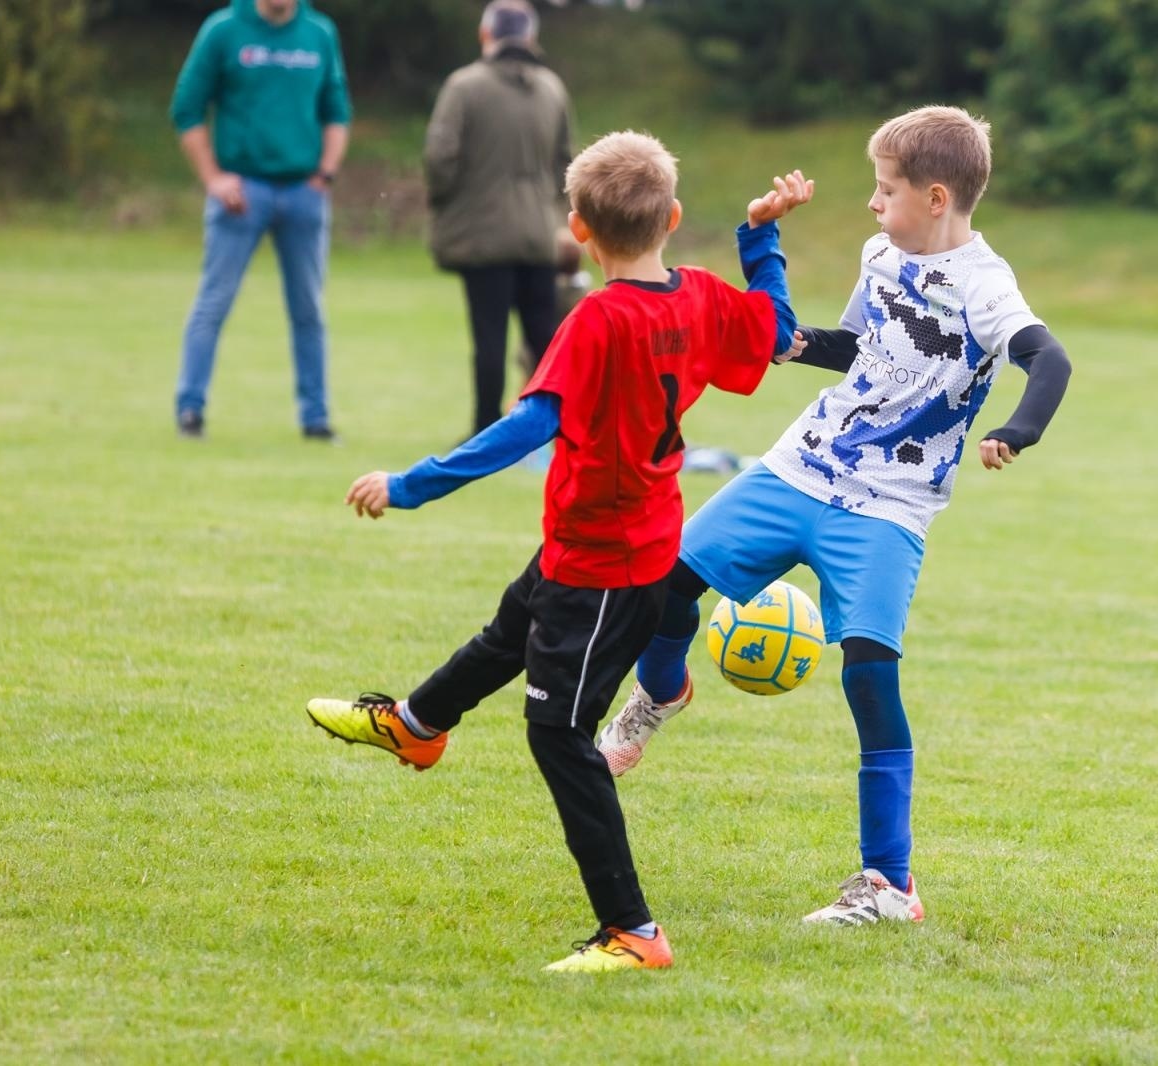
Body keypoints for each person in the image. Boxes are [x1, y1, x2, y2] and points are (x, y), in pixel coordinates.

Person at [305, 131, 813, 972]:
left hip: (608, 569)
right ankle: (416, 726)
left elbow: (530, 426)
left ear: (577, 229)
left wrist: (411, 483)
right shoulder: (700, 301)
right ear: (674, 217)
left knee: (560, 736)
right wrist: (760, 240)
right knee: (511, 628)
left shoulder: (597, 319)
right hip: (607, 542)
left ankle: (634, 932)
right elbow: (774, 332)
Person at [596, 106, 1073, 926]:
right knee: (665, 578)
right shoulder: (881, 252)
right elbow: (857, 346)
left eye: (883, 190)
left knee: (869, 672)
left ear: (934, 196)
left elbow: (1049, 358)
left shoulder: (987, 287)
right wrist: (779, 305)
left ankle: (889, 884)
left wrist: (1014, 431)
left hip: (890, 505)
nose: (871, 204)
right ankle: (662, 692)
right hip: (803, 463)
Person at [169, 0, 351, 441]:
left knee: (308, 308)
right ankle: (190, 408)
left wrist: (325, 172)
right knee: (214, 301)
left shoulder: (318, 34)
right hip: (242, 192)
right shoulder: (224, 30)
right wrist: (212, 177)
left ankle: (315, 416)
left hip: (303, 191)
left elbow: (337, 111)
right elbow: (186, 109)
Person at [424, 0, 576, 438]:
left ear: (485, 36)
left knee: (489, 337)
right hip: (540, 234)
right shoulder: (552, 88)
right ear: (530, 39)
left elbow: (439, 158)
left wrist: (447, 200)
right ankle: (560, 428)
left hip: (484, 235)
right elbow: (568, 162)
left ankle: (485, 428)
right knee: (546, 340)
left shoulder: (464, 86)